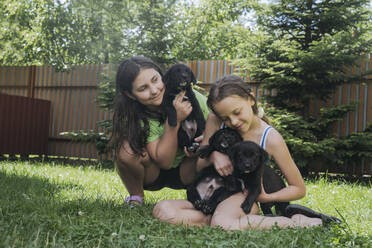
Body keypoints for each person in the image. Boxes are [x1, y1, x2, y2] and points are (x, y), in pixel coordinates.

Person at [153, 75, 326, 229]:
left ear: (251, 99)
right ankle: (222, 219)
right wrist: (214, 155)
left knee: (222, 224)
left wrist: (264, 197)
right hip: (213, 194)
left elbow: (298, 189)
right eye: (225, 118)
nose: (233, 121)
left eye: (237, 112)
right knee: (163, 211)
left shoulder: (271, 138)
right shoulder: (214, 120)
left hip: (239, 197)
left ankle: (297, 222)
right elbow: (199, 166)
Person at [110, 56, 209, 206]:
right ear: (130, 95)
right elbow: (165, 162)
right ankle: (136, 197)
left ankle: (209, 194)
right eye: (143, 88)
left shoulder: (193, 99)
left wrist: (205, 142)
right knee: (125, 149)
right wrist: (175, 119)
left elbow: (219, 123)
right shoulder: (137, 117)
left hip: (188, 168)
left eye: (155, 80)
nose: (154, 91)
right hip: (153, 174)